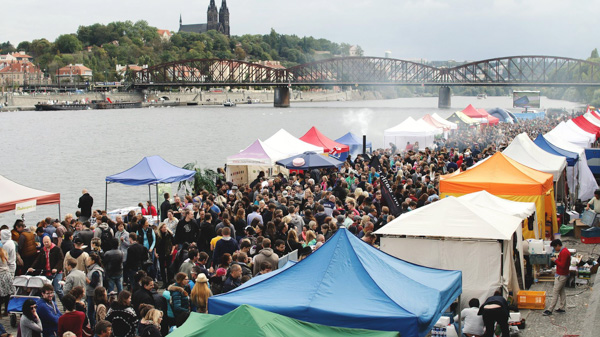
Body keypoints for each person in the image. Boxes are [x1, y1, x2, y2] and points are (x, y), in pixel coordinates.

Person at [30, 236, 64, 300]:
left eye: (47, 242)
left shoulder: (56, 249)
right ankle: (52, 304)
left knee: (57, 289)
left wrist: (56, 268)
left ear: (50, 241)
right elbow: (37, 260)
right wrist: (32, 267)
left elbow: (61, 260)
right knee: (49, 291)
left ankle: (65, 302)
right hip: (47, 272)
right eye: (44, 242)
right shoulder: (43, 250)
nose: (46, 244)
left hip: (56, 272)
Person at [543, 239, 572, 316]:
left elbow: (562, 265)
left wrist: (555, 260)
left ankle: (550, 309)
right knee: (561, 291)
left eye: (554, 247)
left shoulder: (564, 252)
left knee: (555, 292)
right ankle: (562, 307)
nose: (554, 249)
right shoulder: (564, 251)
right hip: (562, 274)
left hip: (561, 275)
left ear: (558, 245)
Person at [85, 253, 104, 328]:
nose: (87, 261)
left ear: (93, 261)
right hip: (92, 293)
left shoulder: (95, 271)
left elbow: (93, 284)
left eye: (89, 259)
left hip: (93, 294)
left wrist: (86, 279)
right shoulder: (92, 269)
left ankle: (93, 326)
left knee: (91, 312)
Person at [0, 247, 15, 316]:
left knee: (1, 295)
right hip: (7, 275)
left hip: (1, 276)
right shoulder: (4, 252)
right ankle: (6, 310)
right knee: (7, 294)